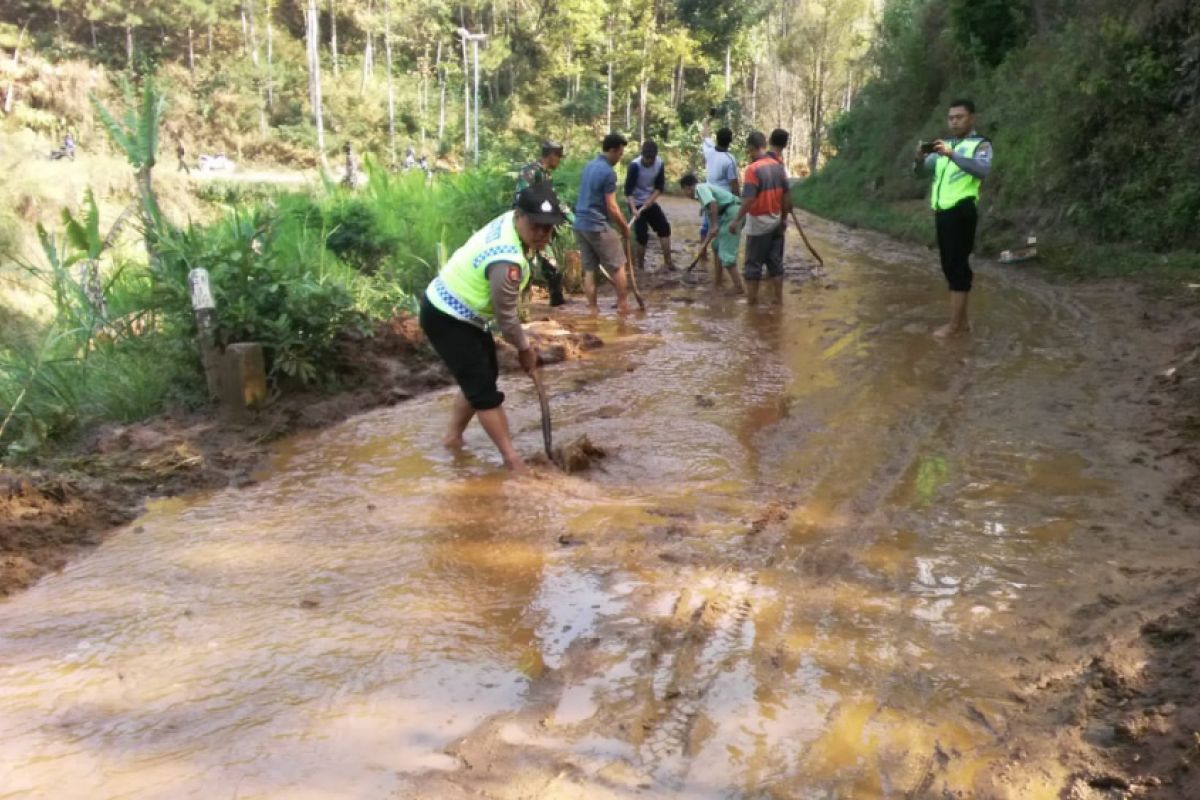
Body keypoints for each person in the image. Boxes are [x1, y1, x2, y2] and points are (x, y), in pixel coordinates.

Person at [419, 182, 564, 473]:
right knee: (483, 390)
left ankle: (452, 439)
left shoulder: (511, 224)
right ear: (520, 216)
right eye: (537, 227)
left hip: (465, 314)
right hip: (447, 316)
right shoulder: (506, 259)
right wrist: (525, 350)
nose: (543, 235)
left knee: (483, 374)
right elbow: (507, 319)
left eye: (549, 229)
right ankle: (513, 462)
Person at [915, 98, 993, 338]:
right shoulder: (943, 146)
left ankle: (954, 326)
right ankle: (963, 323)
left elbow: (982, 169)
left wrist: (952, 154)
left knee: (956, 267)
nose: (954, 122)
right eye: (951, 118)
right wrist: (918, 159)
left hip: (962, 210)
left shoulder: (981, 144)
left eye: (959, 117)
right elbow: (921, 173)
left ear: (972, 118)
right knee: (950, 266)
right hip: (943, 212)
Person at [729, 129, 791, 305]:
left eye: (748, 150)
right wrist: (784, 219)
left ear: (752, 148)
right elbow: (787, 197)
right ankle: (778, 302)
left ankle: (752, 304)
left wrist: (736, 220)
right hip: (776, 221)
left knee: (753, 266)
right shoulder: (778, 166)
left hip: (758, 225)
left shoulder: (752, 169)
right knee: (775, 265)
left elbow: (748, 199)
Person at [573, 133, 633, 314]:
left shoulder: (589, 166)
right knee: (618, 265)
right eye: (620, 154)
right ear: (612, 150)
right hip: (597, 225)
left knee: (590, 269)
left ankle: (592, 309)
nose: (619, 158)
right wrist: (624, 228)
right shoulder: (608, 172)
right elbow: (612, 207)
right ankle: (623, 306)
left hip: (580, 224)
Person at [514, 140, 570, 306]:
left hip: (542, 228)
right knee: (525, 271)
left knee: (553, 268)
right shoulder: (530, 172)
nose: (559, 160)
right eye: (558, 156)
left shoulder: (545, 174)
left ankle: (557, 305)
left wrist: (567, 216)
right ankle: (520, 310)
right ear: (551, 155)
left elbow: (553, 201)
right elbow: (521, 199)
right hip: (527, 229)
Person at [680, 173, 744, 295]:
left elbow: (713, 203)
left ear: (687, 188)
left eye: (684, 191)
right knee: (716, 246)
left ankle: (738, 287)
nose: (685, 195)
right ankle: (718, 282)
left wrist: (714, 225)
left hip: (732, 213)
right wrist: (704, 243)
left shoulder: (700, 188)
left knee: (726, 254)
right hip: (728, 214)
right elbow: (711, 221)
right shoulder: (703, 196)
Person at [624, 139, 674, 272]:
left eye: (652, 158)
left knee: (664, 228)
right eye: (647, 158)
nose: (649, 161)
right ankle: (640, 266)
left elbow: (659, 187)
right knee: (642, 235)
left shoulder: (659, 163)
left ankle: (668, 262)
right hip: (634, 202)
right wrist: (634, 209)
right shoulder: (634, 166)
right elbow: (628, 190)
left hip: (649, 201)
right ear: (642, 155)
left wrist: (651, 200)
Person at [699, 113, 740, 266]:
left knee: (706, 226)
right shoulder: (729, 159)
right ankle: (718, 261)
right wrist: (739, 201)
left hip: (708, 197)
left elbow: (704, 135)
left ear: (717, 139)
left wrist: (707, 120)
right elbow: (734, 184)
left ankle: (702, 254)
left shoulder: (708, 151)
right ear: (730, 142)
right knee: (721, 230)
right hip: (724, 201)